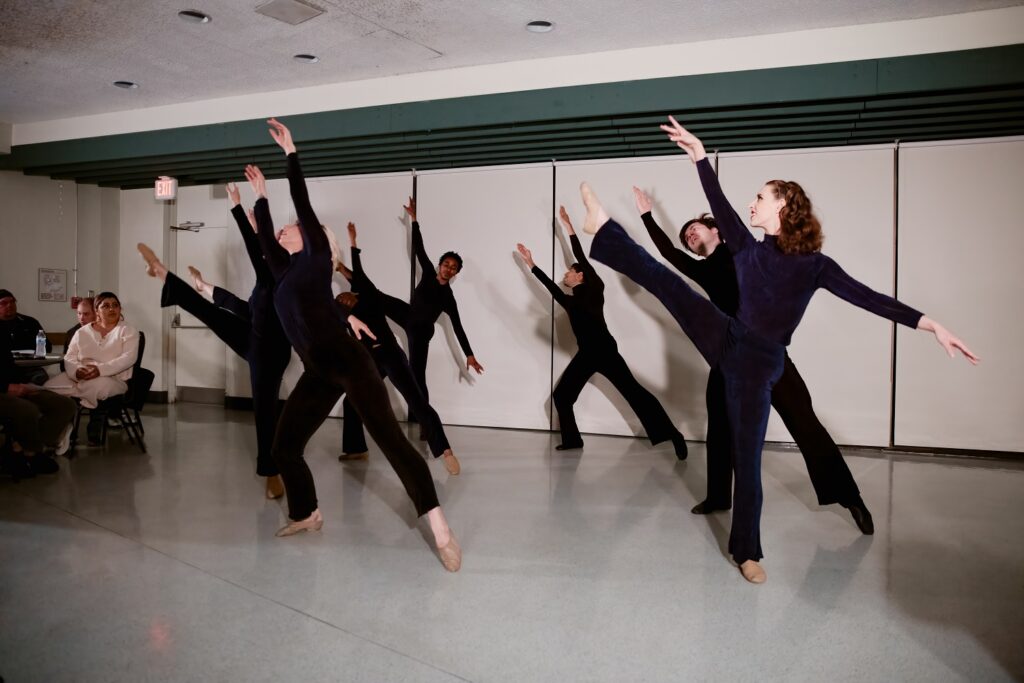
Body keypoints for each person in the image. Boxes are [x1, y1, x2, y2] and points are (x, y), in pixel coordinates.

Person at [579, 115, 977, 584]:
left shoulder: (815, 267)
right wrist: (699, 157)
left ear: (785, 205)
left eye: (761, 198)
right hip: (728, 337)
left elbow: (870, 298)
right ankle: (602, 226)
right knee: (669, 284)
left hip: (762, 363)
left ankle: (748, 551)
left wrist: (930, 325)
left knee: (751, 459)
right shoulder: (745, 249)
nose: (751, 204)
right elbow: (719, 206)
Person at [248, 118, 460, 571]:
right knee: (284, 447)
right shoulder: (284, 275)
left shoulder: (317, 260)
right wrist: (260, 199)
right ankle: (306, 513)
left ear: (310, 237)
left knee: (391, 441)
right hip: (317, 371)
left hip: (349, 362)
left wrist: (290, 155)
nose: (283, 232)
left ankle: (440, 526)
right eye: (281, 230)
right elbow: (265, 241)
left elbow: (302, 206)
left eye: (291, 227)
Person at [633, 189, 873, 533]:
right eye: (687, 236)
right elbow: (668, 253)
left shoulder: (743, 252)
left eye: (695, 228)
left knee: (804, 422)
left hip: (766, 350)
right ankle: (718, 497)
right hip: (728, 355)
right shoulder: (702, 270)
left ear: (715, 229)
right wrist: (646, 216)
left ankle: (851, 499)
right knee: (719, 426)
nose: (689, 234)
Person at [136, 180, 291, 500]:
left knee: (265, 410)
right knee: (213, 314)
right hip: (254, 335)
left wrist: (238, 208)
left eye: (283, 234)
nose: (278, 235)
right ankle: (167, 276)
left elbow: (256, 252)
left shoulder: (286, 269)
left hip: (271, 349)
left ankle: (272, 470)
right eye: (277, 233)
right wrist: (206, 286)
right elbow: (245, 309)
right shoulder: (269, 278)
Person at [515, 206, 688, 458]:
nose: (566, 273)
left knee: (635, 394)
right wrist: (531, 264)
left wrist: (569, 228)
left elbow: (581, 257)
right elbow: (552, 288)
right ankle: (573, 440)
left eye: (570, 271)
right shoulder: (571, 302)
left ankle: (673, 434)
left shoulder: (595, 288)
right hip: (586, 354)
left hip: (606, 351)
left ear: (580, 275)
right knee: (562, 396)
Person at [334, 222, 462, 475]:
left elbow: (356, 272)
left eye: (345, 296)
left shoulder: (368, 294)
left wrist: (352, 243)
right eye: (342, 301)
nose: (344, 299)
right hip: (371, 359)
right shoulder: (345, 313)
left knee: (416, 399)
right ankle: (356, 448)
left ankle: (445, 449)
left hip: (391, 354)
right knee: (351, 402)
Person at [396, 198, 483, 415]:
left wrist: (469, 355)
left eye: (453, 268)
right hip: (408, 316)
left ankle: (425, 421)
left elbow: (458, 327)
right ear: (440, 265)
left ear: (456, 273)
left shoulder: (448, 297)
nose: (448, 269)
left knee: (417, 375)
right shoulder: (427, 273)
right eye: (446, 264)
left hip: (422, 330)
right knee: (376, 297)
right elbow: (418, 248)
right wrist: (414, 219)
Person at [43, 292, 138, 445]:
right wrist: (77, 371)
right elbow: (70, 357)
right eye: (105, 306)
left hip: (112, 379)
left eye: (115, 305)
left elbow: (128, 358)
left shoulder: (128, 331)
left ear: (120, 309)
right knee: (47, 389)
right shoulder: (82, 332)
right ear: (97, 310)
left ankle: (68, 425)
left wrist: (99, 370)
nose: (111, 309)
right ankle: (66, 425)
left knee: (97, 387)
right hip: (81, 376)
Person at [0, 326, 74, 476]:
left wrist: (24, 384)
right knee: (27, 410)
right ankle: (32, 454)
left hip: (14, 384)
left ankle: (25, 446)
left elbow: (8, 365)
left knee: (64, 405)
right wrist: (6, 387)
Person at [0, 288, 52, 384]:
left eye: (12, 302)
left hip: (30, 368)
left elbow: (47, 347)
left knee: (42, 381)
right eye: (3, 303)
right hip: (4, 370)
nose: (9, 305)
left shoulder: (30, 322)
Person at [61, 297, 96, 373]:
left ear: (96, 314)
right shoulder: (72, 333)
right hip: (77, 372)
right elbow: (64, 362)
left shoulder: (105, 330)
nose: (81, 318)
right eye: (79, 313)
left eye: (86, 314)